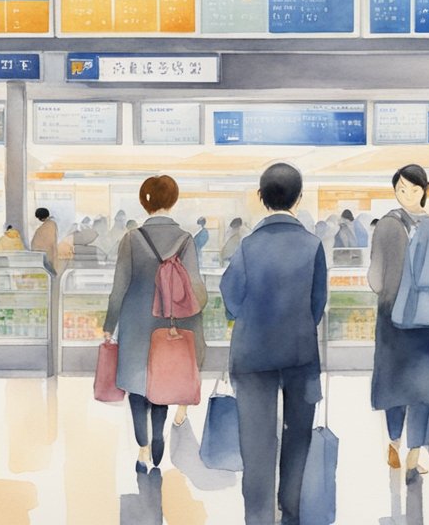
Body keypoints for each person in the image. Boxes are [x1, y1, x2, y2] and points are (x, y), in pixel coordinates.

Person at [221, 163, 326, 525]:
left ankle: (257, 516)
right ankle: (291, 513)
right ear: (299, 197)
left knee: (256, 441)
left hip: (252, 355)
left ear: (261, 197)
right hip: (300, 354)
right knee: (297, 438)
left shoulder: (248, 246)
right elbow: (318, 304)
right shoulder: (313, 245)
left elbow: (231, 298)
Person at [103, 175, 206, 472]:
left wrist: (110, 323)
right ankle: (158, 436)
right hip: (169, 321)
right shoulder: (185, 239)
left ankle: (143, 449)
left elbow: (119, 285)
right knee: (163, 380)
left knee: (138, 386)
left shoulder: (132, 238)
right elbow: (195, 285)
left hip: (135, 321)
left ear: (144, 201)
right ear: (172, 201)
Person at [368, 164, 429, 481]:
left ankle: (393, 442)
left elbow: (375, 280)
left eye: (411, 189)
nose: (406, 194)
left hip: (392, 318)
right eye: (402, 189)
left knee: (393, 384)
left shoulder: (386, 226)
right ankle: (414, 456)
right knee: (422, 389)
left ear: (424, 189)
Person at [31, 208, 59, 272]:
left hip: (45, 254)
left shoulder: (48, 225)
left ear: (41, 217)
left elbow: (49, 241)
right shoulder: (50, 224)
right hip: (46, 253)